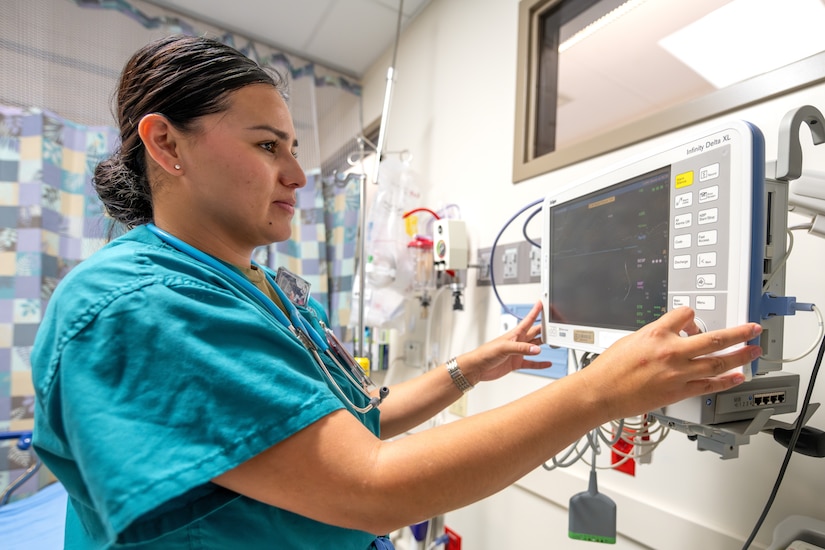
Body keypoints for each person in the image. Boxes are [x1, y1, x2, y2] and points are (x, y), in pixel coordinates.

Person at [30, 35, 762, 550]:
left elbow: (357, 424)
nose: (296, 173)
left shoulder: (262, 286)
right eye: (265, 145)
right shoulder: (142, 306)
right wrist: (598, 393)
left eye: (292, 146)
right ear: (166, 144)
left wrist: (466, 370)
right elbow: (370, 484)